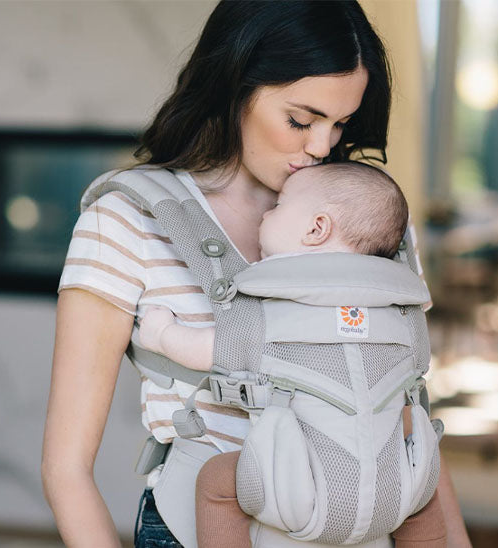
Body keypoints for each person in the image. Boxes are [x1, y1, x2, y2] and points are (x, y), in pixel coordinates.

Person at [41, 1, 470, 547]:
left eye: (340, 124)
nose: (322, 147)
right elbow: (67, 470)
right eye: (301, 119)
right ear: (234, 85)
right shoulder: (128, 220)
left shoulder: (365, 219)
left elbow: (406, 418)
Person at [138, 161, 448, 548]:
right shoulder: (396, 315)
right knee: (425, 500)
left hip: (297, 489)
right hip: (390, 492)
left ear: (316, 229)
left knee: (215, 481)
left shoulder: (277, 306)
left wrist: (164, 334)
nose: (267, 213)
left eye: (279, 205)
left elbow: (216, 350)